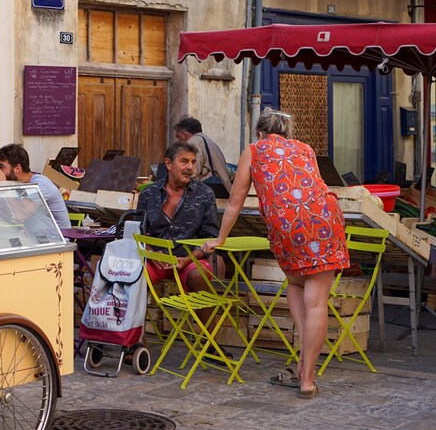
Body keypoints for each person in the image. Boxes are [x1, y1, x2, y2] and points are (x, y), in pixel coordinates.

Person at [203, 109, 349, 399]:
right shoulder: (306, 149)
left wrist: (220, 239)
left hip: (286, 226)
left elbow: (236, 201)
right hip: (323, 220)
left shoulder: (254, 151)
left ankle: (302, 366)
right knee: (317, 303)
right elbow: (314, 189)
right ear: (287, 132)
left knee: (296, 283)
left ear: (260, 132)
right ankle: (307, 378)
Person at [136, 141, 223, 293]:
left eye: (193, 162)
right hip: (155, 260)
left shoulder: (204, 194)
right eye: (184, 161)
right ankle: (131, 317)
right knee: (132, 277)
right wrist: (151, 252)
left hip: (190, 260)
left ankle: (208, 319)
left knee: (199, 276)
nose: (190, 167)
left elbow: (210, 237)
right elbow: (137, 233)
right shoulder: (149, 194)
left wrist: (188, 259)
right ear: (168, 164)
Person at [0, 143, 70, 232]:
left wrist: (3, 187)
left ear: (17, 168)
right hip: (34, 237)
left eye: (1, 167)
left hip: (56, 239)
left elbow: (19, 215)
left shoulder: (40, 185)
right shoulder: (18, 185)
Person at [174, 115, 232, 195]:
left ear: (184, 134)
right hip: (222, 190)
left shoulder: (194, 142)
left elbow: (193, 171)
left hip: (211, 193)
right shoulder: (207, 140)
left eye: (178, 137)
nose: (178, 141)